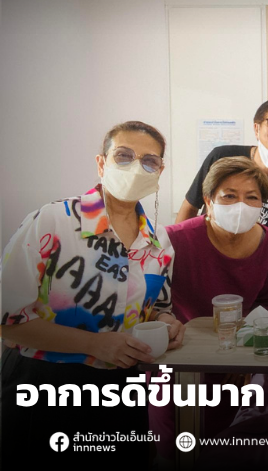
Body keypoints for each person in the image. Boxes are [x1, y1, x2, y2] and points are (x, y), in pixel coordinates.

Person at [0, 121, 185, 465]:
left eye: (149, 161)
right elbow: (6, 320)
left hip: (123, 387)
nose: (136, 167)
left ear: (160, 171)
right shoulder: (53, 221)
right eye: (124, 156)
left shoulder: (159, 241)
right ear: (101, 163)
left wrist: (167, 323)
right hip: (46, 384)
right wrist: (95, 344)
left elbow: (157, 307)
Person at [149, 156, 268, 463]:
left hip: (233, 360)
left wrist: (246, 356)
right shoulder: (175, 239)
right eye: (229, 196)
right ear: (208, 201)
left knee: (220, 449)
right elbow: (150, 302)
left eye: (252, 198)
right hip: (178, 359)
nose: (241, 205)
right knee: (174, 449)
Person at [176, 98, 268, 253]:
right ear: (257, 128)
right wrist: (176, 250)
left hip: (257, 258)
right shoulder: (222, 157)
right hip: (207, 250)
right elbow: (190, 206)